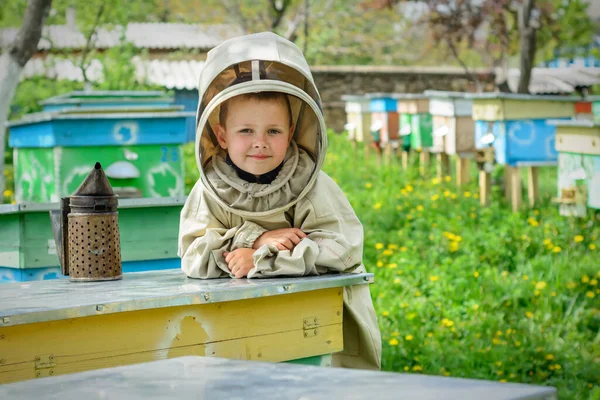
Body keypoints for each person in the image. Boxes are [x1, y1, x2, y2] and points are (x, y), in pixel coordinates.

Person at [178, 31, 381, 370]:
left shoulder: (313, 187)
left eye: (273, 131)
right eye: (246, 131)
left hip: (317, 321)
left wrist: (259, 258)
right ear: (222, 135)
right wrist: (254, 238)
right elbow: (193, 256)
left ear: (291, 134)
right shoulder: (209, 191)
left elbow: (340, 250)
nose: (260, 143)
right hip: (239, 324)